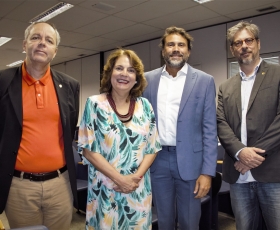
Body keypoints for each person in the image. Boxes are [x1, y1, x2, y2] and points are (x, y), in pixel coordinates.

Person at [0, 22, 80, 229]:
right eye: (36, 38)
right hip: (19, 187)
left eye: (49, 40)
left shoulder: (70, 86)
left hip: (60, 185)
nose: (42, 44)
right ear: (25, 45)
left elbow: (69, 127)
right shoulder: (3, 82)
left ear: (55, 51)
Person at [143, 26, 218, 229]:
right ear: (163, 51)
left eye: (181, 45)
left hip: (191, 163)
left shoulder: (204, 81)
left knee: (189, 220)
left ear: (188, 51)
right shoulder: (147, 80)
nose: (176, 49)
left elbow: (210, 130)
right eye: (171, 44)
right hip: (157, 162)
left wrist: (207, 173)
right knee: (163, 220)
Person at [78, 48, 161, 229]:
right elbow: (88, 149)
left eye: (131, 70)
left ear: (137, 77)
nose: (125, 74)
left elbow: (152, 147)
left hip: (137, 189)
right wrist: (120, 179)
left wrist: (134, 179)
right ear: (110, 73)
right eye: (119, 68)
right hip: (105, 189)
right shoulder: (94, 104)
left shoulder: (145, 106)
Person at [217, 21, 280, 230]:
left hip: (272, 173)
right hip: (238, 177)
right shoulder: (225, 86)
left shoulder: (277, 75)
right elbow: (220, 122)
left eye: (248, 40)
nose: (243, 45)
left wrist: (253, 156)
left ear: (258, 43)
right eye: (237, 43)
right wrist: (240, 152)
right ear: (232, 49)